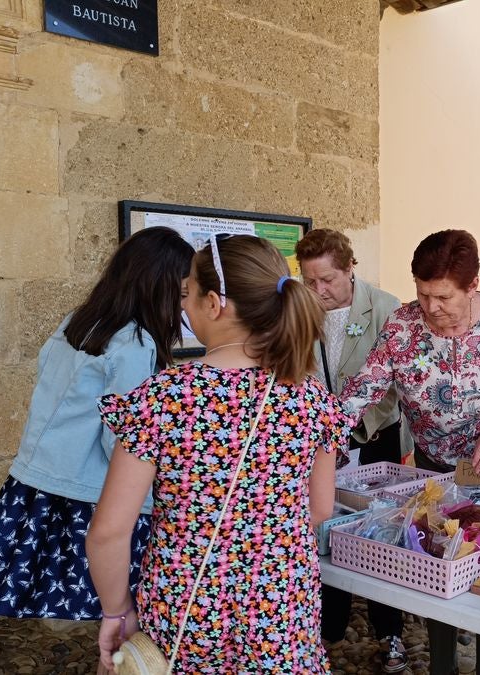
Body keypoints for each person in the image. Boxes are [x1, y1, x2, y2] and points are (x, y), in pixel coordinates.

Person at [87, 235, 347, 673]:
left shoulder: (165, 398)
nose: (183, 308)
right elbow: (319, 508)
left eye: (186, 294)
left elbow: (109, 532)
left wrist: (116, 611)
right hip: (280, 602)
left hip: (186, 603)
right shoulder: (311, 398)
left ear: (213, 304)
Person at [339, 229, 480, 675]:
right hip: (435, 469)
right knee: (436, 564)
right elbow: (364, 389)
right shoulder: (403, 325)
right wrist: (318, 429)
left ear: (473, 286)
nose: (431, 307)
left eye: (443, 297)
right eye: (423, 294)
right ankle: (443, 663)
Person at [0, 227, 194, 620]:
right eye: (182, 293)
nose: (184, 306)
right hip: (90, 493)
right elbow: (121, 439)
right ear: (159, 286)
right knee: (119, 610)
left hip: (40, 481)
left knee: (84, 608)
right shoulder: (135, 344)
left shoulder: (78, 323)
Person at [295, 228, 409, 673]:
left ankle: (389, 631)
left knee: (382, 533)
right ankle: (328, 627)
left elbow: (397, 383)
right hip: (320, 442)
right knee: (325, 527)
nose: (318, 291)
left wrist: (352, 427)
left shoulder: (386, 308)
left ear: (350, 269)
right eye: (309, 281)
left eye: (327, 280)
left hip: (375, 439)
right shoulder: (300, 309)